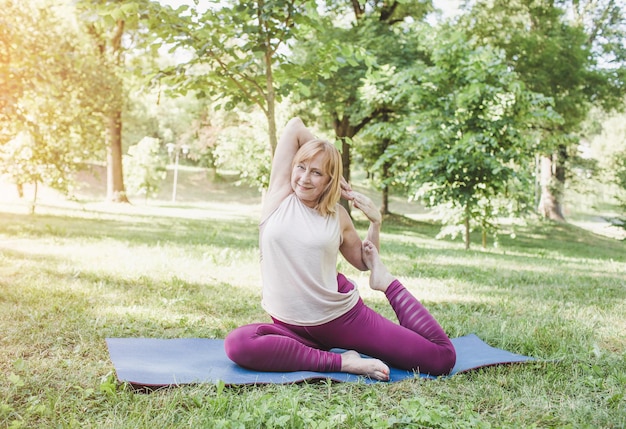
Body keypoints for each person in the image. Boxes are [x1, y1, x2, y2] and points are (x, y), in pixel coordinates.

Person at [224, 117, 456, 380]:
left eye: (317, 172)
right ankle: (343, 362)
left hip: (342, 320)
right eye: (301, 167)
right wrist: (331, 163)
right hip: (291, 326)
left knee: (441, 359)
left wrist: (375, 223)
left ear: (328, 180)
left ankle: (388, 283)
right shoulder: (278, 197)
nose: (304, 178)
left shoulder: (337, 216)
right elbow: (295, 126)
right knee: (238, 343)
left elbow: (362, 260)